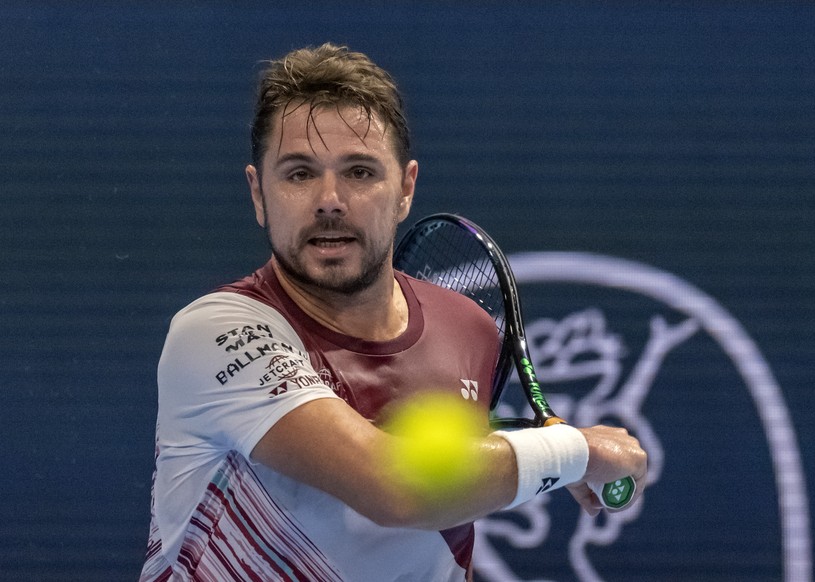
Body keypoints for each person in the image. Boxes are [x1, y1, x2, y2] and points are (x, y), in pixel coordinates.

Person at [140, 43, 647, 582]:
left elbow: (442, 534)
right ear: (258, 192)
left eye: (359, 172)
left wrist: (533, 460)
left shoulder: (468, 328)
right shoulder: (217, 333)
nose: (329, 199)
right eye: (299, 174)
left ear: (405, 189)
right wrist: (572, 451)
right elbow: (395, 487)